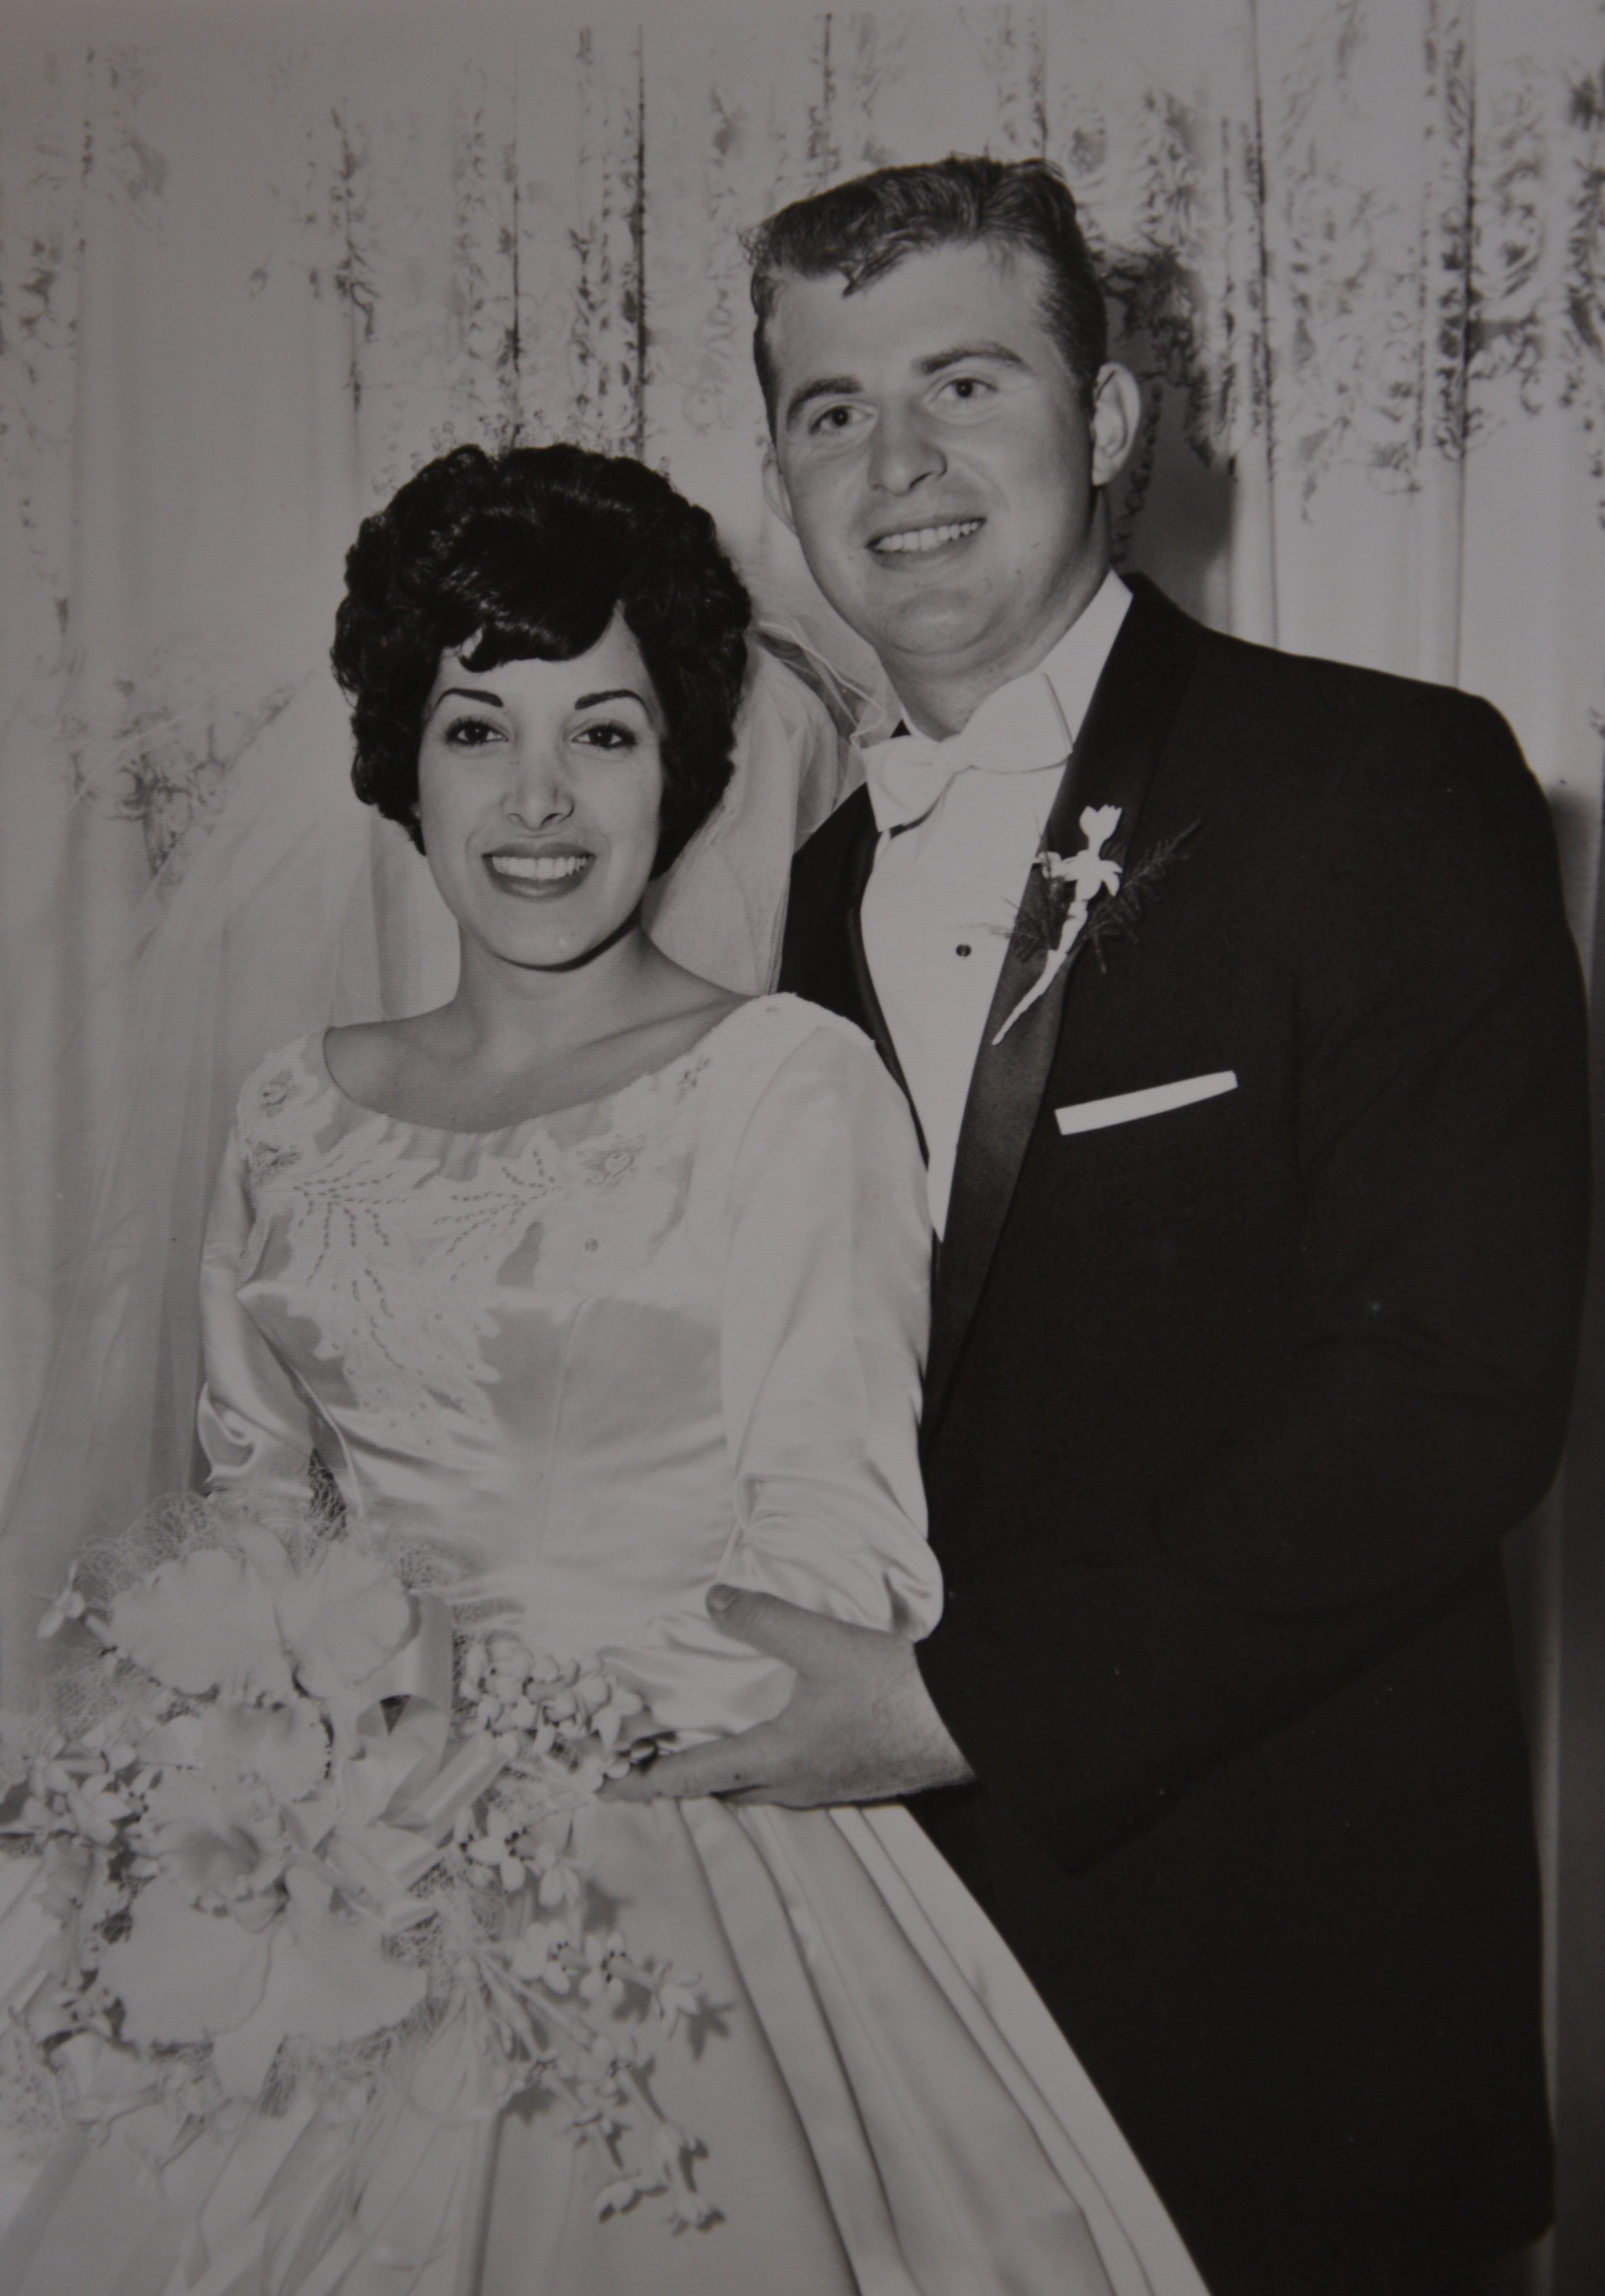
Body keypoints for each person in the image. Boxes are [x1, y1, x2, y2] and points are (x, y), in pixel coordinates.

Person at [0, 441, 1207, 2294]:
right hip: (321, 1870)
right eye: (481, 728)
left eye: (609, 732)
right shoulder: (292, 1111)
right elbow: (246, 1528)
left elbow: (844, 1561)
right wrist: (277, 1774)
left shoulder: (787, 1086)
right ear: (402, 760)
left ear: (687, 766)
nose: (541, 797)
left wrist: (491, 1757)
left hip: (681, 1854)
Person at [609, 157, 1593, 2296]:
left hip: (1290, 2020)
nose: (903, 463)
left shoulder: (1389, 781)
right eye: (832, 408)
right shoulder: (806, 893)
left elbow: (1451, 1398)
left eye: (968, 379)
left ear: (1115, 418)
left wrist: (966, 1707)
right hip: (913, 2024)